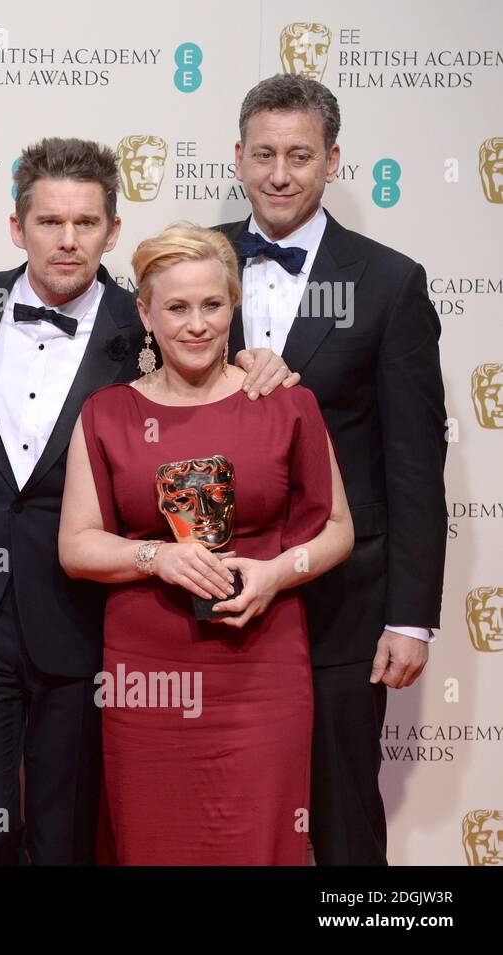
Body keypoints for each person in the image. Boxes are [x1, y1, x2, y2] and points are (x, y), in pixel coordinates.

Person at [0, 138, 296, 865]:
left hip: (82, 611)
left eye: (86, 223)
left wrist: (261, 357)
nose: (67, 240)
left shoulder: (149, 321)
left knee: (67, 839)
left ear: (114, 231)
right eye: (49, 222)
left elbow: (218, 367)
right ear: (15, 226)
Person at [59, 223, 354, 864]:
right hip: (148, 678)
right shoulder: (105, 413)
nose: (197, 324)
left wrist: (276, 574)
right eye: (176, 307)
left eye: (212, 305)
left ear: (234, 305)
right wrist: (156, 557)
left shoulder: (286, 403)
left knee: (262, 841)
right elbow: (78, 547)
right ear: (145, 313)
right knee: (155, 842)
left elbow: (337, 528)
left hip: (263, 666)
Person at [216, 74, 447, 865]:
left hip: (345, 597)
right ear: (237, 158)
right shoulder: (194, 264)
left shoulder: (388, 283)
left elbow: (416, 460)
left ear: (333, 161)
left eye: (300, 156)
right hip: (219, 587)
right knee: (229, 803)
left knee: (343, 810)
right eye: (265, 154)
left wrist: (410, 614)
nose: (281, 174)